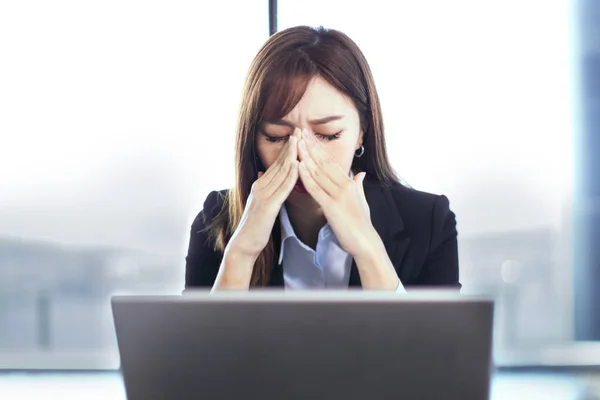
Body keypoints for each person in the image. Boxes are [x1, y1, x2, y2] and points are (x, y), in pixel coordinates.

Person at [185, 26, 460, 291]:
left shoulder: (429, 222)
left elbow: (433, 340)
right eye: (276, 136)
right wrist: (241, 252)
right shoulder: (214, 220)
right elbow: (198, 340)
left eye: (328, 134)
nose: (301, 156)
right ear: (252, 139)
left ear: (362, 132)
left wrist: (367, 248)